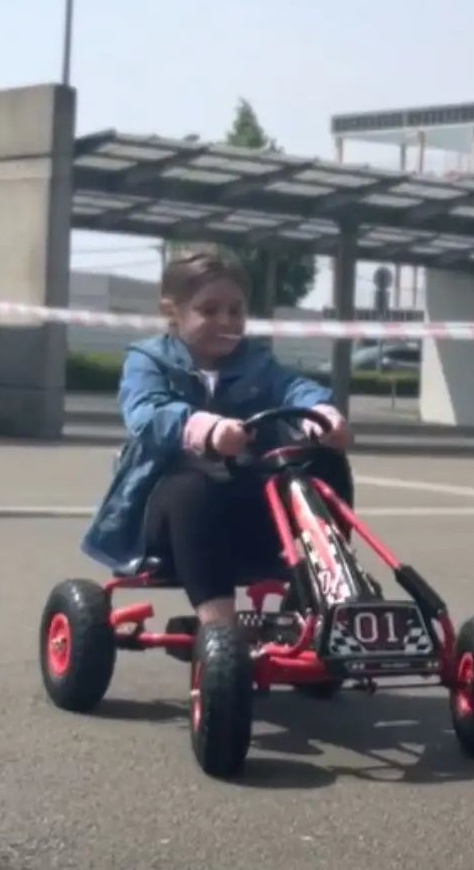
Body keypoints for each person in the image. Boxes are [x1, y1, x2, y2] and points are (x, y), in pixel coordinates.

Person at [82, 250, 354, 634]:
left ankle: (320, 599)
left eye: (235, 310)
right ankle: (220, 631)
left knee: (327, 465)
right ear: (173, 311)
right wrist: (203, 429)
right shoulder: (148, 361)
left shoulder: (255, 362)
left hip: (248, 509)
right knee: (192, 489)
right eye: (209, 310)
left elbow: (293, 387)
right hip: (167, 516)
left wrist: (323, 414)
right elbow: (145, 413)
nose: (225, 321)